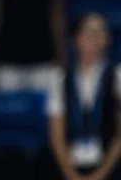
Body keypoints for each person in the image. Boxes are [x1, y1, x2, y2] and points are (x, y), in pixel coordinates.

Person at [47, 12, 121, 180]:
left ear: (108, 39)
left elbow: (120, 137)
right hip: (70, 165)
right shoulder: (60, 78)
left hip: (108, 166)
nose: (94, 37)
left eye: (100, 32)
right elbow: (56, 137)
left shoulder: (117, 76)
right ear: (76, 38)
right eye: (88, 31)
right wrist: (72, 176)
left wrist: (99, 176)